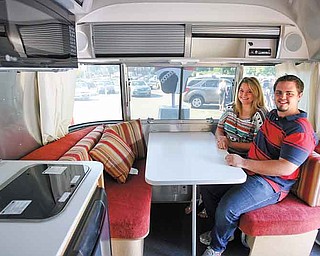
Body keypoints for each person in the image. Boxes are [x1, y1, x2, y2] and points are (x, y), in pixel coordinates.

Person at [200, 74, 318, 256]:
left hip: (272, 182)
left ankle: (217, 247)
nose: (282, 97)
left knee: (228, 206)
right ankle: (224, 232)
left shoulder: (299, 130)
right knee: (208, 187)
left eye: (289, 93)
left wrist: (243, 161)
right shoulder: (272, 116)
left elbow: (285, 168)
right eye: (279, 92)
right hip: (250, 170)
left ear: (299, 95)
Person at [185, 77, 268, 217]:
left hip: (243, 159)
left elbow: (256, 145)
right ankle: (202, 202)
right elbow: (219, 128)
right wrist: (221, 138)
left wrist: (230, 144)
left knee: (209, 184)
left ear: (257, 94)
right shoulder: (231, 108)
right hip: (223, 153)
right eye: (241, 91)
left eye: (249, 92)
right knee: (200, 169)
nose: (244, 95)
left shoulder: (259, 115)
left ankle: (212, 214)